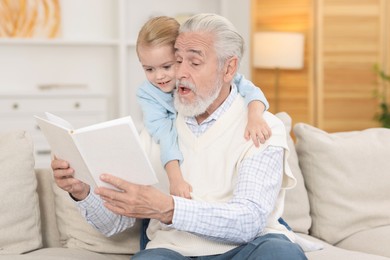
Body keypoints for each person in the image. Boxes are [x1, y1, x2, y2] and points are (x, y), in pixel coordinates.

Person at [52, 13, 307, 260]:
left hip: (247, 248)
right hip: (172, 252)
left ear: (228, 68)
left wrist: (170, 208)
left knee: (281, 254)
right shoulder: (155, 129)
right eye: (177, 60)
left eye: (194, 63)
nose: (180, 73)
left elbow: (248, 221)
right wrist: (82, 191)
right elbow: (116, 222)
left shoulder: (264, 127)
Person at [135, 16, 271, 199]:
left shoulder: (259, 125)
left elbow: (250, 89)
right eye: (149, 69)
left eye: (167, 66)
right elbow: (166, 137)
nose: (159, 77)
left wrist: (255, 115)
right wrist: (176, 180)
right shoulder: (149, 95)